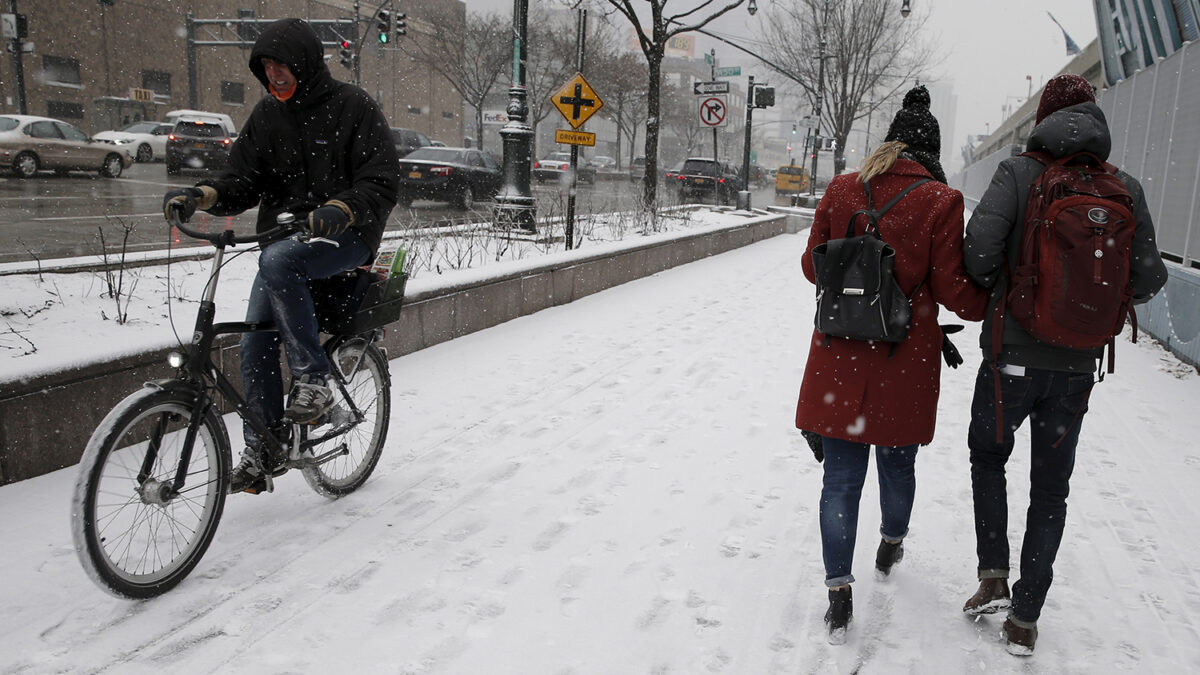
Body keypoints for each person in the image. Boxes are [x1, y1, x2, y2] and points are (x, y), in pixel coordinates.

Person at [960, 74, 1167, 655]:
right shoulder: (1124, 187)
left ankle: (994, 576)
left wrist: (1011, 287)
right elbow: (1149, 278)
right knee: (1051, 490)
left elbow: (977, 251)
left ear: (1043, 119)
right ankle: (1025, 617)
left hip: (1010, 360)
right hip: (1077, 367)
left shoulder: (1018, 172)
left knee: (988, 458)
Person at [162, 18, 400, 494]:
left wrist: (344, 207)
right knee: (253, 340)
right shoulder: (268, 116)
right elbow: (243, 179)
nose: (274, 73)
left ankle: (313, 379)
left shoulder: (352, 106)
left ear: (306, 63)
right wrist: (205, 194)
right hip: (286, 240)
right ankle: (262, 449)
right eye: (266, 65)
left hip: (345, 235)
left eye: (281, 64)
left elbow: (381, 179)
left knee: (276, 262)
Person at [795, 86, 989, 645]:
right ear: (930, 151)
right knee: (897, 466)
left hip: (839, 361)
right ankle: (889, 543)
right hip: (904, 362)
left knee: (839, 480)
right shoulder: (940, 201)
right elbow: (955, 289)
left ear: (890, 142)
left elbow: (813, 268)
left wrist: (855, 268)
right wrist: (993, 307)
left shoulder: (840, 188)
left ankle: (837, 590)